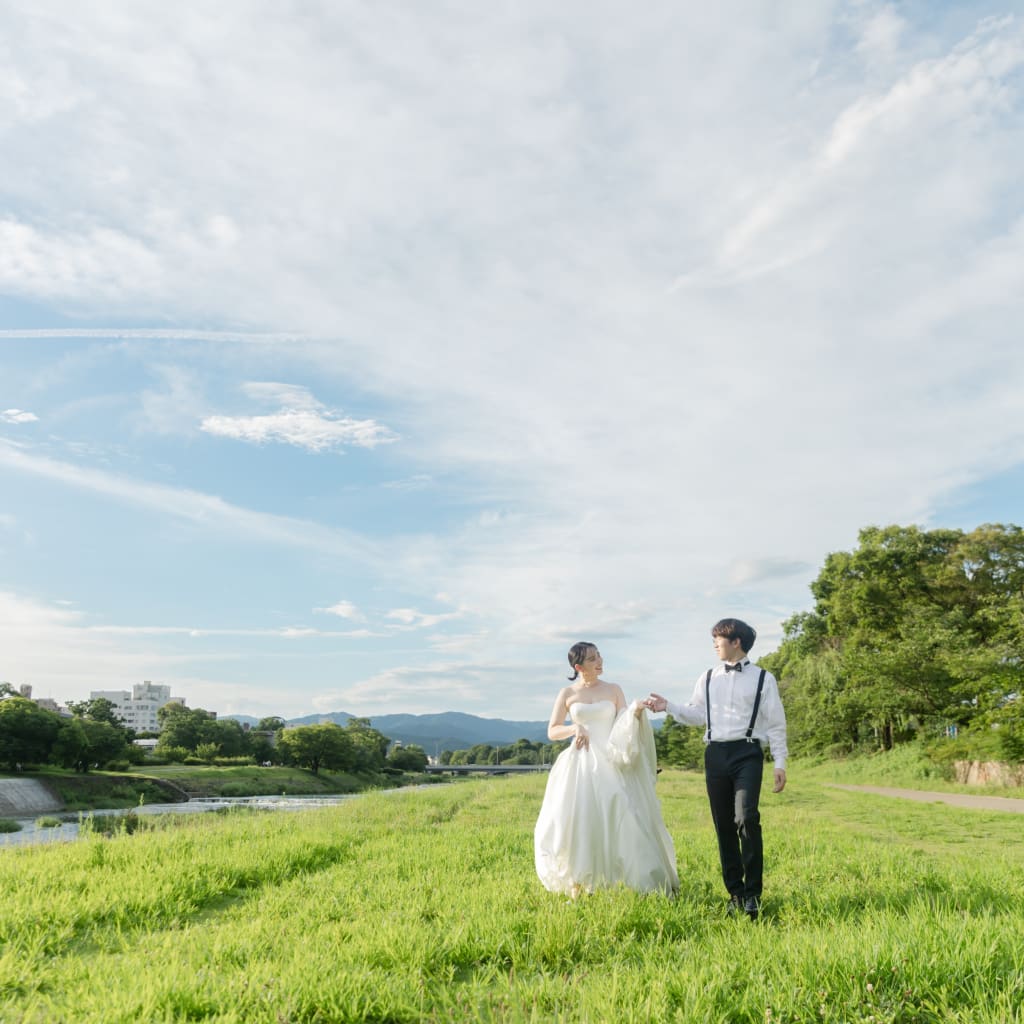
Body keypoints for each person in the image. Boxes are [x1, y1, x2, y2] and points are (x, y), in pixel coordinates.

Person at [643, 618, 787, 920]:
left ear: (736, 642)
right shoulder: (707, 677)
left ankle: (753, 895)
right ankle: (735, 894)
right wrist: (668, 706)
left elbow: (775, 724)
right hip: (715, 754)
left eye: (718, 639)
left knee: (746, 818)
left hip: (747, 752)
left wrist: (780, 762)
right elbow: (697, 715)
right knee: (724, 826)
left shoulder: (764, 678)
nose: (714, 644)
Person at [534, 642, 679, 897]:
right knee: (581, 819)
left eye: (599, 655)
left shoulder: (613, 689)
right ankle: (580, 882)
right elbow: (552, 730)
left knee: (624, 813)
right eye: (592, 659)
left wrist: (635, 712)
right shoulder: (567, 693)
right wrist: (574, 728)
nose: (599, 661)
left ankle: (645, 883)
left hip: (610, 760)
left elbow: (622, 724)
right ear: (578, 666)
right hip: (580, 764)